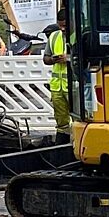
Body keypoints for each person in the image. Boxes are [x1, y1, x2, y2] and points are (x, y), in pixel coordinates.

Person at [44, 8, 70, 144]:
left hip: (73, 86)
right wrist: (54, 59)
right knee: (61, 121)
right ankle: (62, 144)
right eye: (60, 26)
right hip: (57, 87)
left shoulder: (80, 35)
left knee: (77, 119)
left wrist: (68, 58)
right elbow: (46, 59)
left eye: (65, 25)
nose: (63, 28)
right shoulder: (54, 36)